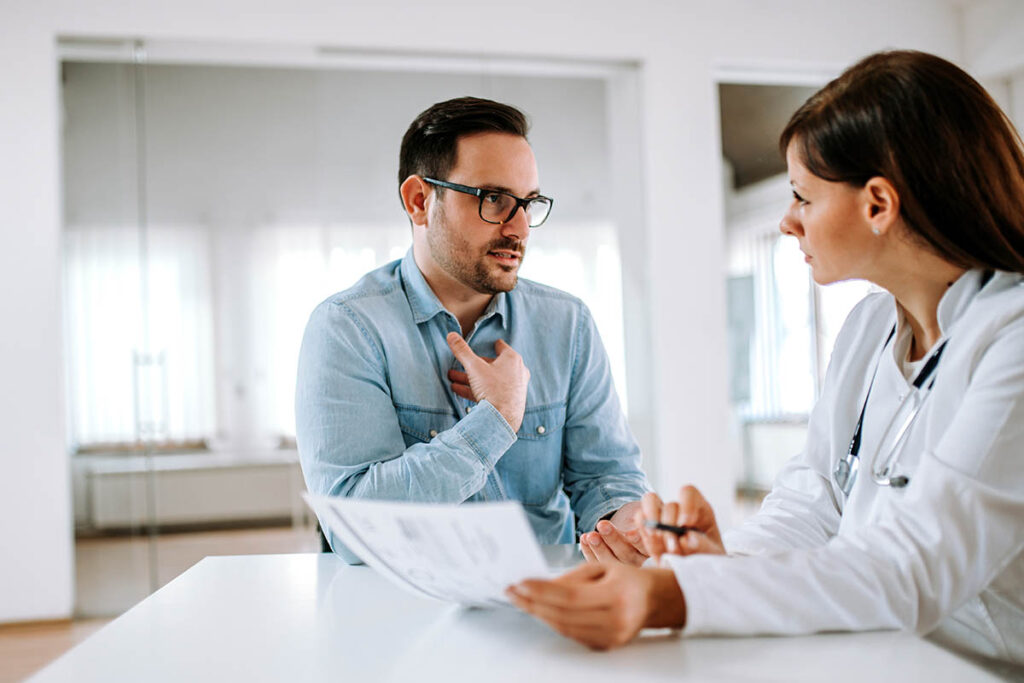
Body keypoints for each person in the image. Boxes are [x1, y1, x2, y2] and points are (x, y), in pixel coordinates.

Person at [507, 50, 1024, 665]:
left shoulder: (1011, 343)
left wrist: (674, 595)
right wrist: (716, 568)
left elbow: (912, 569)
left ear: (878, 204)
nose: (787, 222)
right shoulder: (869, 329)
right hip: (880, 650)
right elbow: (812, 502)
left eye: (803, 197)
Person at [295, 97, 650, 564]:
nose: (520, 228)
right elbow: (357, 532)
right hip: (400, 616)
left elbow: (606, 479)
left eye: (529, 203)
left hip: (545, 608)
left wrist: (629, 524)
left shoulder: (568, 324)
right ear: (419, 201)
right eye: (494, 200)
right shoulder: (348, 329)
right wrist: (496, 420)